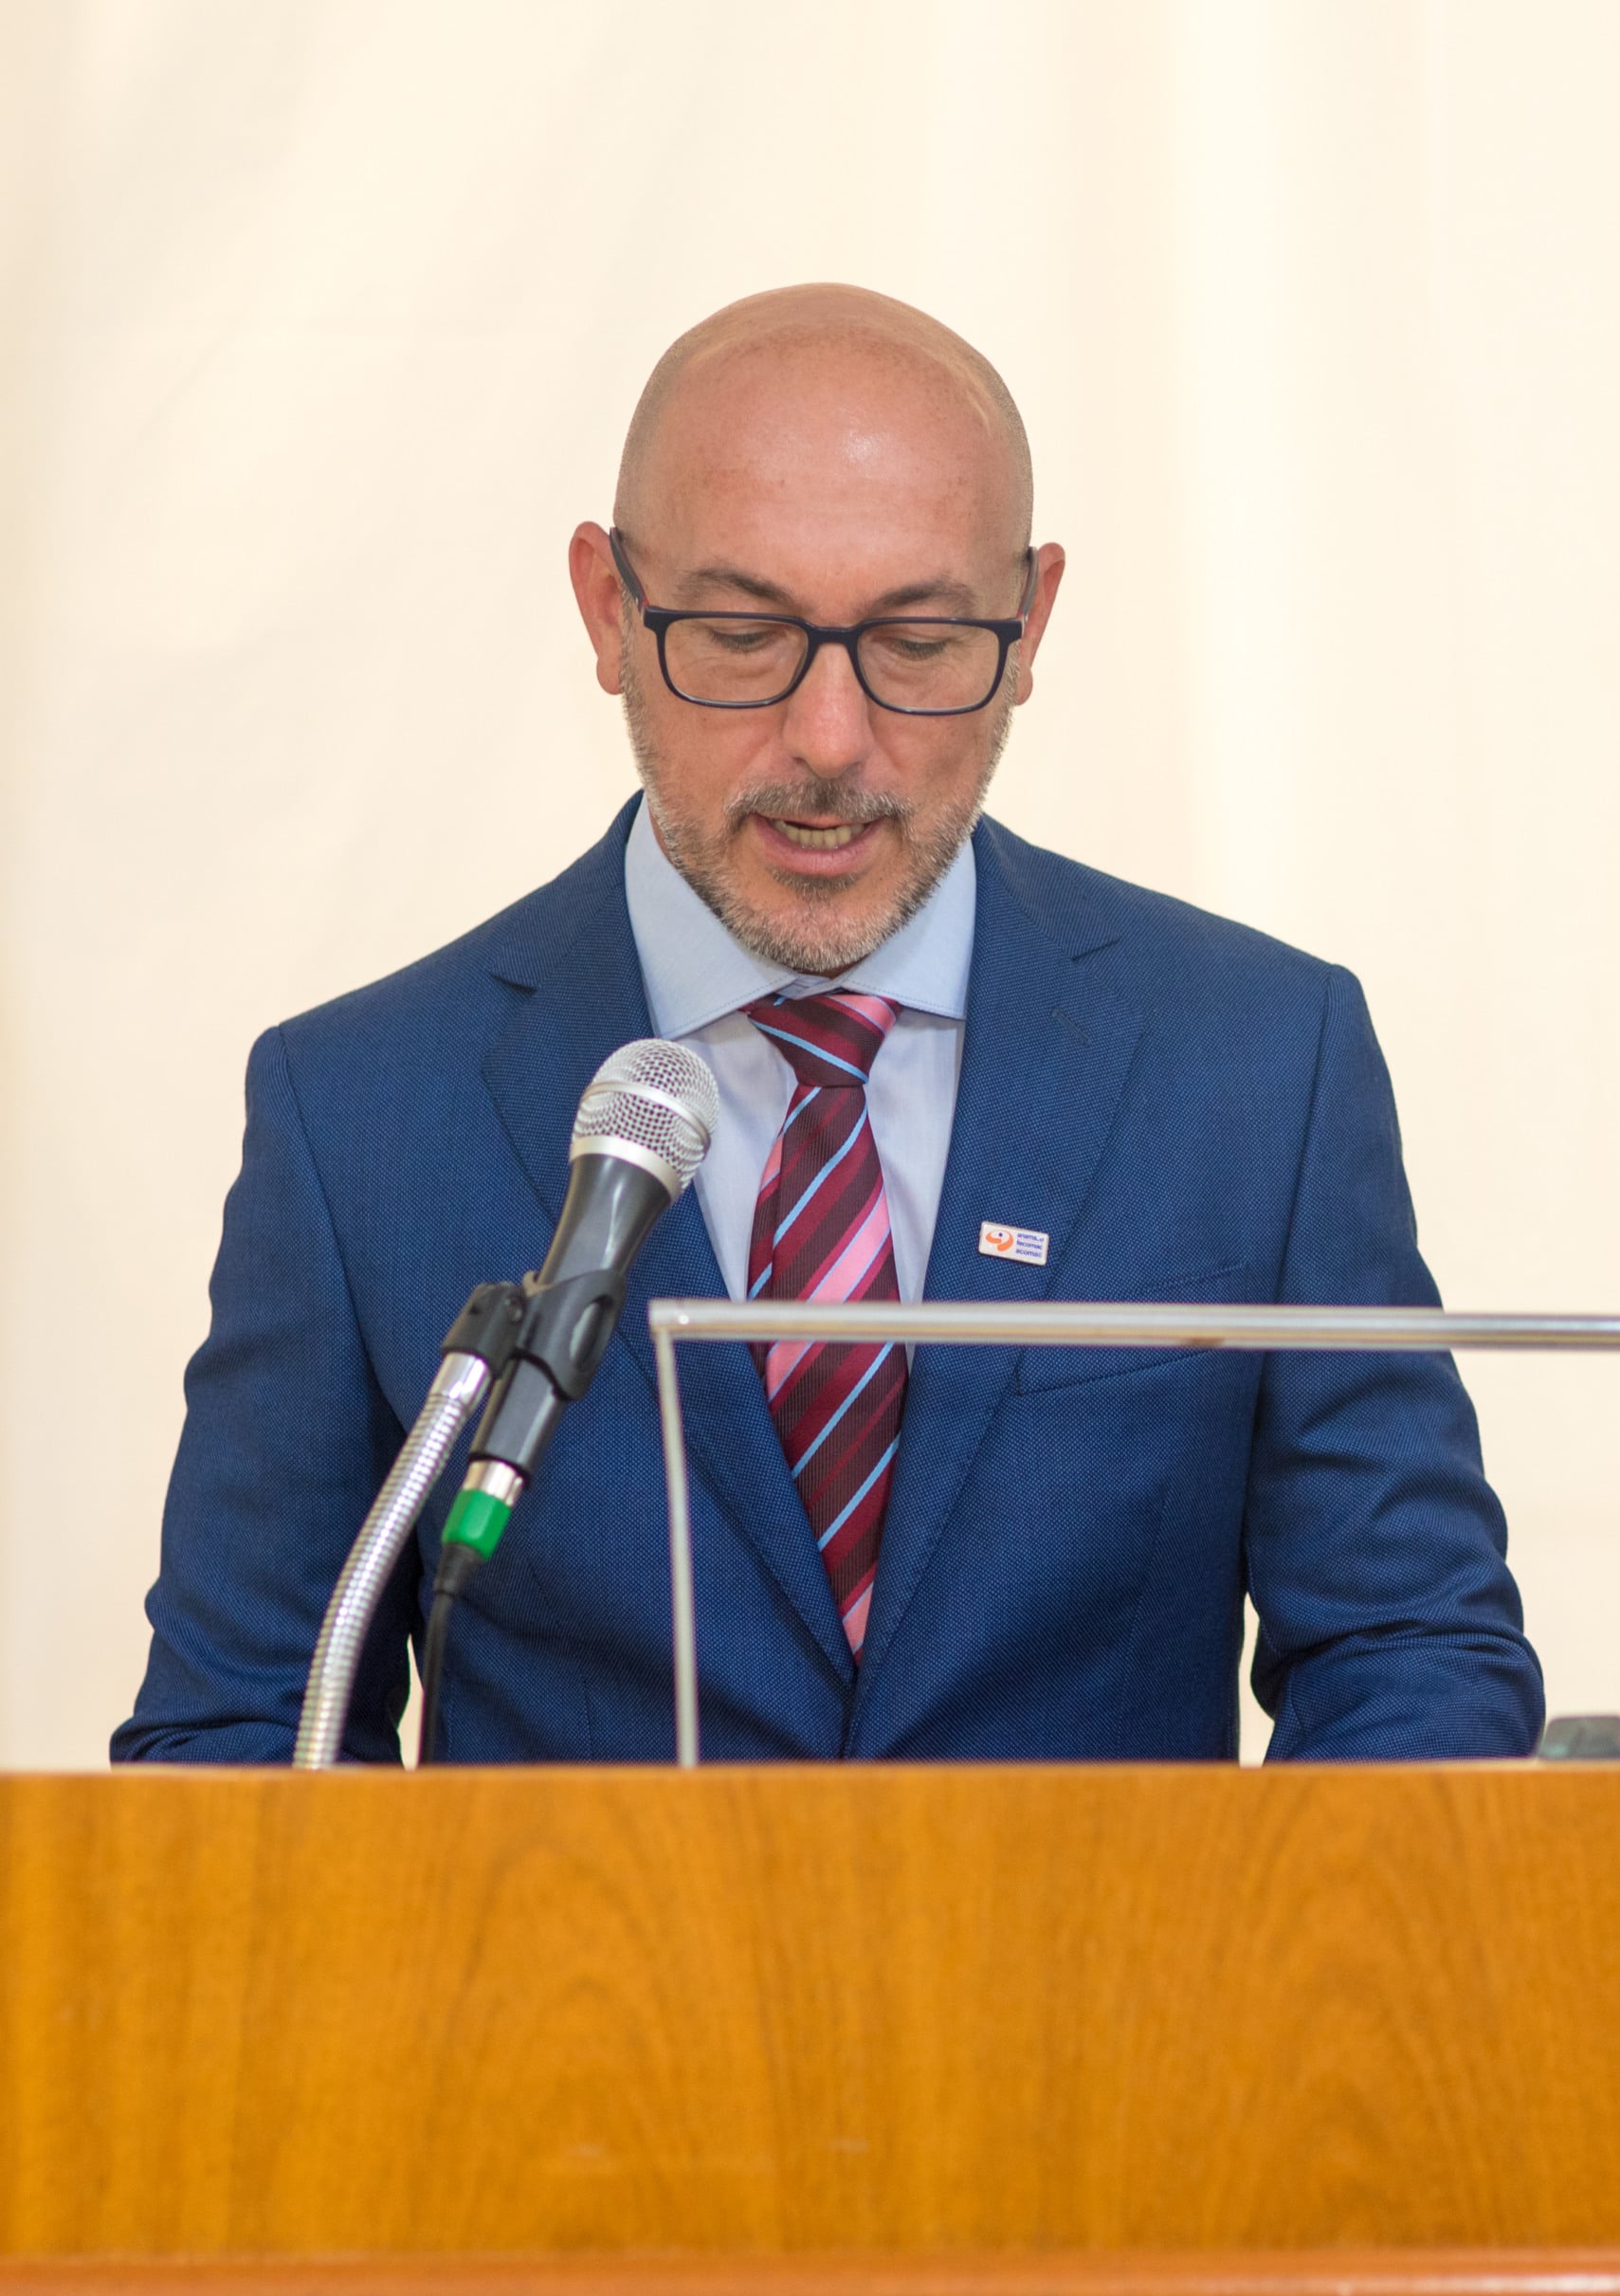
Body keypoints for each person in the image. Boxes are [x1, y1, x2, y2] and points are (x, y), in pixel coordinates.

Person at [113, 283, 1542, 1765]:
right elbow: (240, 1732)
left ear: (1030, 623)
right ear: (608, 609)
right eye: (741, 635)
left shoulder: (1257, 1065)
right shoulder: (357, 1114)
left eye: (919, 644)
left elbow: (1405, 1648)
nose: (829, 741)